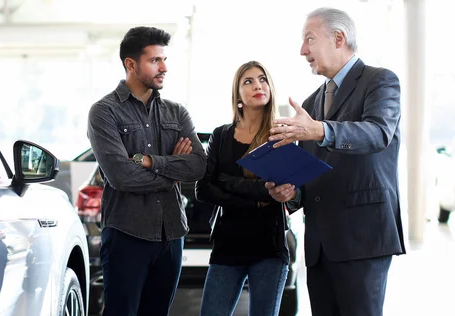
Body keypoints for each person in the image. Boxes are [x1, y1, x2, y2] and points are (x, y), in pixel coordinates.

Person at [267, 7, 406, 316]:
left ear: (339, 38)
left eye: (309, 39)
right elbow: (308, 173)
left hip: (362, 238)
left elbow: (377, 133)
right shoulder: (312, 102)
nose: (302, 50)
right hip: (318, 244)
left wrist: (318, 129)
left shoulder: (380, 80)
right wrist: (291, 194)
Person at [87, 26, 206, 316]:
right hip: (127, 234)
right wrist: (175, 170)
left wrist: (152, 162)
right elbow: (121, 176)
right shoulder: (104, 112)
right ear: (131, 64)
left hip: (171, 234)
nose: (164, 67)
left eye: (164, 59)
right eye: (155, 60)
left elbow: (199, 165)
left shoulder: (177, 113)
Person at [195, 61, 299, 316]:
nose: (258, 86)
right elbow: (204, 189)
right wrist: (258, 196)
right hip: (227, 246)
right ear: (238, 95)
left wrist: (230, 183)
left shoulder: (281, 136)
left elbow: (293, 192)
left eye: (262, 80)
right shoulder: (221, 136)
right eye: (248, 81)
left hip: (269, 248)